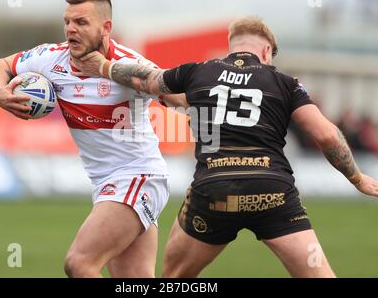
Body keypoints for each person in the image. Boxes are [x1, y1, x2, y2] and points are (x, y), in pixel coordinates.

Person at [70, 17, 378, 278]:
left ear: (234, 45)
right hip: (271, 191)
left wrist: (105, 67)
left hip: (215, 192)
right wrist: (357, 178)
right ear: (267, 51)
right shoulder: (285, 82)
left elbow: (147, 81)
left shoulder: (198, 72)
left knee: (174, 278)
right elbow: (326, 135)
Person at [0, 0, 185, 278]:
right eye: (67, 21)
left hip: (138, 177)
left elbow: (179, 97)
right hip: (107, 183)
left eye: (81, 22)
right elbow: (1, 65)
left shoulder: (129, 65)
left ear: (106, 28)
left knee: (79, 263)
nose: (70, 29)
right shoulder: (50, 59)